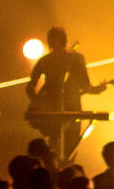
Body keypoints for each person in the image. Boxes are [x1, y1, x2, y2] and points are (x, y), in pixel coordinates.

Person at [26, 27, 94, 163]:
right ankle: (62, 171)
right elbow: (86, 86)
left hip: (58, 111)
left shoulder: (50, 60)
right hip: (67, 109)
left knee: (59, 147)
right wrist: (38, 102)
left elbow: (30, 86)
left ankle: (59, 170)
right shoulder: (73, 58)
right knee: (66, 147)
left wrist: (37, 102)